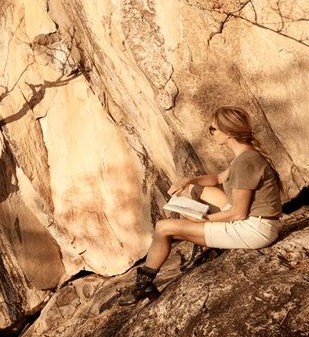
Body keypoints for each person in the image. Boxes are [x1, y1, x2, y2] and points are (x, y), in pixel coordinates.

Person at [120, 106, 285, 305]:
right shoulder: (244, 156)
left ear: (229, 133)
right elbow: (217, 178)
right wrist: (188, 181)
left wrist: (201, 220)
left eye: (213, 129)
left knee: (163, 228)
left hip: (254, 229)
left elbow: (238, 214)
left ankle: (143, 285)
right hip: (256, 220)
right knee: (197, 190)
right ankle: (205, 243)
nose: (211, 133)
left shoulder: (245, 162)